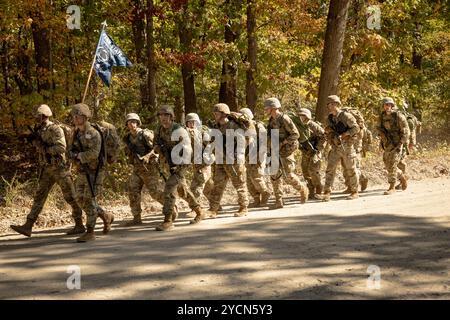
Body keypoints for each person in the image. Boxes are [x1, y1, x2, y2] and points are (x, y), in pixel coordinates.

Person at [10, 104, 84, 237]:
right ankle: (28, 225)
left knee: (71, 197)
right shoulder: (39, 130)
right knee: (39, 196)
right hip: (47, 169)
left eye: (38, 116)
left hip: (59, 168)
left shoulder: (55, 129)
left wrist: (46, 149)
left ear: (44, 116)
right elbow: (39, 146)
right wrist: (33, 142)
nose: (36, 118)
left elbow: (61, 147)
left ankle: (80, 224)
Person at [153, 105, 204, 231]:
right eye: (161, 115)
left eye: (166, 115)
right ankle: (199, 211)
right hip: (169, 163)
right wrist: (155, 152)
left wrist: (180, 166)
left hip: (181, 163)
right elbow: (156, 145)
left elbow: (188, 150)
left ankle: (168, 220)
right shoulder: (159, 129)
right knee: (182, 190)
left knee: (169, 188)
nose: (163, 118)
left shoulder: (179, 130)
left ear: (171, 117)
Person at [69, 103, 114, 242]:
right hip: (82, 171)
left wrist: (79, 156)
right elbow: (71, 149)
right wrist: (71, 154)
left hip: (95, 171)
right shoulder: (76, 133)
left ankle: (90, 231)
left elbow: (94, 153)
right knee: (79, 198)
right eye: (74, 116)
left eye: (78, 116)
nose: (76, 119)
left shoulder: (93, 133)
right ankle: (105, 215)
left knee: (89, 200)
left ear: (85, 117)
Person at [206, 103, 249, 217]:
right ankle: (213, 209)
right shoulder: (215, 126)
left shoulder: (233, 126)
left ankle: (243, 207)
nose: (215, 115)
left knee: (239, 184)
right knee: (217, 185)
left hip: (233, 161)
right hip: (220, 160)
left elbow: (243, 141)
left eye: (217, 113)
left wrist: (237, 155)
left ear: (224, 114)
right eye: (214, 113)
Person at [122, 113, 165, 225]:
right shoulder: (127, 138)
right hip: (137, 169)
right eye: (129, 122)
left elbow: (157, 148)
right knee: (133, 191)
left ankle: (170, 206)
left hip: (149, 168)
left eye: (134, 122)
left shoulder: (146, 134)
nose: (132, 124)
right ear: (126, 124)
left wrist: (147, 156)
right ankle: (137, 217)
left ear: (138, 123)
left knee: (154, 192)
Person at [265, 97, 309, 209]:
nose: (265, 110)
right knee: (274, 175)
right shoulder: (271, 121)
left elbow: (295, 134)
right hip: (275, 150)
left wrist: (284, 142)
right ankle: (278, 201)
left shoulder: (284, 119)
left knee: (288, 176)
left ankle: (303, 189)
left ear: (273, 108)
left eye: (267, 108)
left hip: (286, 150)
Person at [321, 95, 360, 201]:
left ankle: (354, 191)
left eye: (333, 104)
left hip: (347, 146)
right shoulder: (330, 118)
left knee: (351, 169)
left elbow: (356, 128)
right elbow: (328, 131)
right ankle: (327, 192)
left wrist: (345, 134)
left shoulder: (346, 116)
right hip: (335, 146)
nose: (330, 106)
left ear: (338, 104)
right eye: (329, 104)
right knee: (330, 169)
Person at [377, 97, 410, 195]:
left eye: (389, 105)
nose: (387, 107)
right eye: (385, 105)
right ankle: (402, 177)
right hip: (387, 143)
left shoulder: (398, 116)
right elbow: (378, 128)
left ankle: (392, 187)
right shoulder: (382, 116)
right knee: (386, 163)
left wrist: (401, 143)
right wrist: (382, 135)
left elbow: (406, 131)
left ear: (392, 106)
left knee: (392, 164)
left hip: (398, 143)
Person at [239, 108, 271, 208]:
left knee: (257, 177)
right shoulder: (241, 127)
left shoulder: (258, 126)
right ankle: (256, 199)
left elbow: (265, 142)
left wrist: (261, 156)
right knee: (248, 179)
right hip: (247, 156)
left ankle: (265, 193)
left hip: (258, 154)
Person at [297, 108, 326, 200]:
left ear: (307, 116)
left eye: (303, 115)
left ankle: (318, 188)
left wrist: (318, 147)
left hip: (315, 151)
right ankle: (311, 190)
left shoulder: (313, 125)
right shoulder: (299, 126)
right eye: (300, 115)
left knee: (313, 170)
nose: (301, 117)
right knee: (305, 171)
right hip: (305, 151)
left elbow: (324, 135)